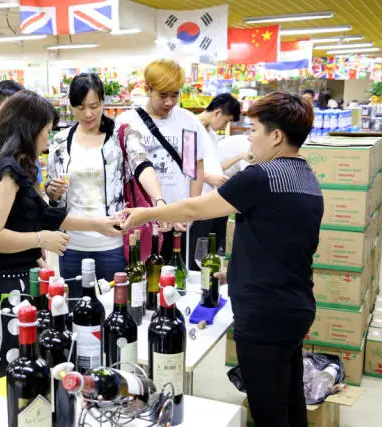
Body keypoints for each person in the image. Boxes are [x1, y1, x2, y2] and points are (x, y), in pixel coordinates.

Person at [120, 91, 322, 427]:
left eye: (254, 130)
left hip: (264, 313)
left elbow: (194, 208)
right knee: (290, 399)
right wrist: (238, 270)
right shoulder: (306, 176)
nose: (249, 137)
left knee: (268, 411)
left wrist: (147, 213)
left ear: (276, 136)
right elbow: (284, 241)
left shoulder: (262, 176)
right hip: (295, 306)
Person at [0, 90, 123, 380]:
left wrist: (97, 224)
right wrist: (40, 240)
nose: (48, 140)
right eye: (47, 132)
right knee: (9, 378)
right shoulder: (6, 169)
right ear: (30, 130)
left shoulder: (15, 165)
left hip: (16, 285)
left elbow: (44, 214)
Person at [46, 73, 167, 286]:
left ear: (103, 102)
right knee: (75, 305)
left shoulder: (122, 135)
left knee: (114, 303)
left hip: (112, 243)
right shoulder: (60, 141)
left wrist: (159, 201)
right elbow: (52, 191)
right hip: (71, 245)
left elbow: (142, 165)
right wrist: (52, 192)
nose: (88, 114)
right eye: (80, 108)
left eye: (94, 106)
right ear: (71, 106)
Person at [115, 59, 206, 262]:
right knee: (140, 273)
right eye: (163, 95)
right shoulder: (127, 121)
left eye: (175, 95)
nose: (169, 102)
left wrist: (190, 212)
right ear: (148, 89)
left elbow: (193, 168)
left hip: (177, 218)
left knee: (174, 274)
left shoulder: (187, 121)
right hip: (139, 218)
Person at [192, 93, 242, 262]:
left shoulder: (211, 134)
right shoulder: (191, 128)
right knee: (197, 252)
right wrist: (208, 177)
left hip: (210, 199)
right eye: (226, 121)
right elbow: (182, 165)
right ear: (217, 113)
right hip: (197, 199)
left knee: (208, 252)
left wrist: (240, 157)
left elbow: (214, 165)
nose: (225, 125)